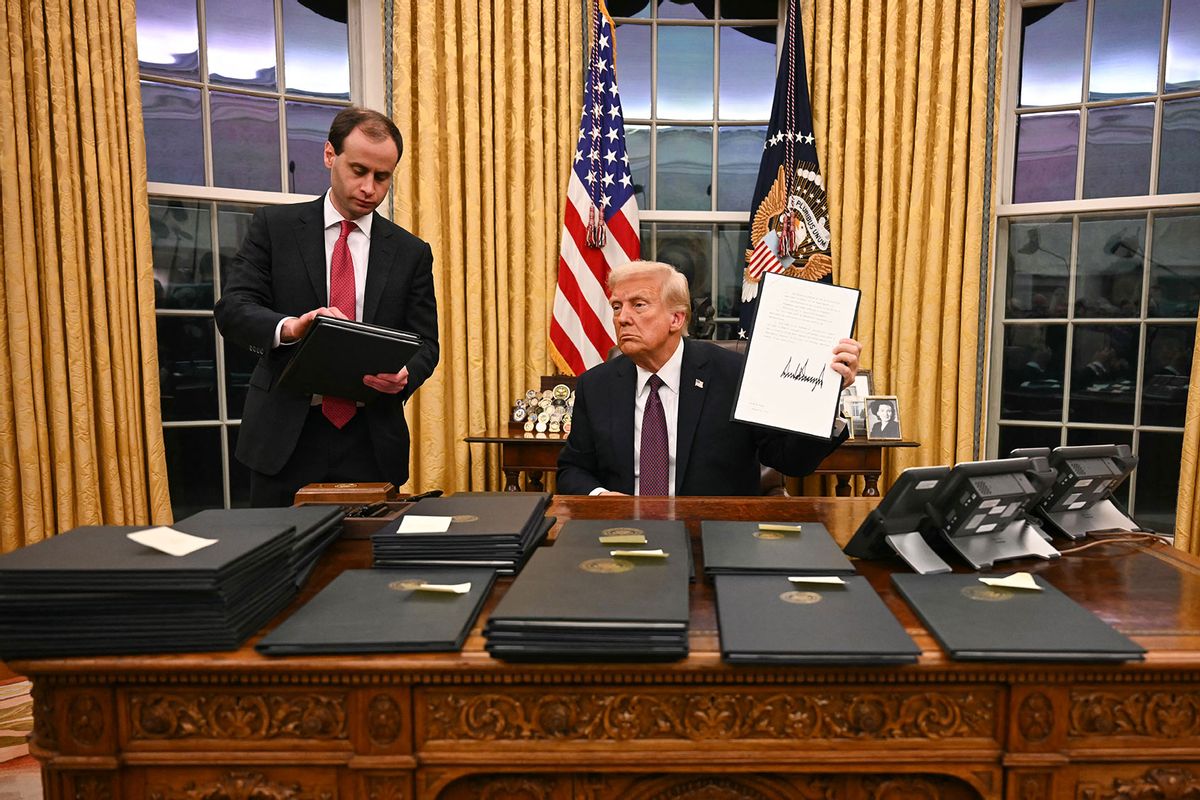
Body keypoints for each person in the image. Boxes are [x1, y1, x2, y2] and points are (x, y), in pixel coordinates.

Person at [214, 107, 439, 507]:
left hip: (371, 441)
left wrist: (405, 374)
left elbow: (426, 343)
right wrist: (291, 327)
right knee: (280, 564)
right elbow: (233, 309)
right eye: (358, 170)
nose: (369, 187)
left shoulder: (411, 253)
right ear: (329, 156)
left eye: (382, 177)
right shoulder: (274, 227)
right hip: (284, 438)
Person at [557, 260, 860, 496]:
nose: (622, 318)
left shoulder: (733, 374)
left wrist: (827, 395)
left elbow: (791, 461)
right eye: (617, 306)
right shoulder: (595, 385)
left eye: (638, 305)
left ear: (676, 319)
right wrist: (600, 496)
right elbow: (573, 469)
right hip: (623, 535)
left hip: (717, 534)